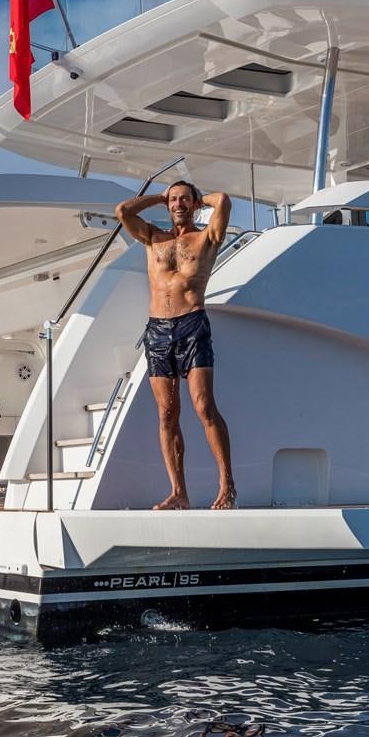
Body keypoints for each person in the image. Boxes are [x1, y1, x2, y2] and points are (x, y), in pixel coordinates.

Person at [115, 180, 237, 510]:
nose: (178, 204)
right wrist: (159, 197)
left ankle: (227, 484)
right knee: (167, 413)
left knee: (202, 405)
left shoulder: (207, 237)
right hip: (157, 330)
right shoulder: (153, 237)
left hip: (192, 325)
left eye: (184, 199)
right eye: (173, 200)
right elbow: (122, 211)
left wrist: (199, 198)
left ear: (195, 203)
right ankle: (178, 492)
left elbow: (223, 199)